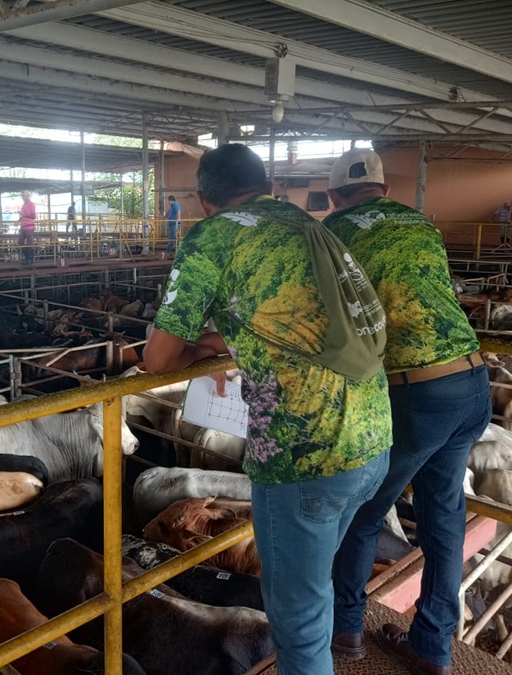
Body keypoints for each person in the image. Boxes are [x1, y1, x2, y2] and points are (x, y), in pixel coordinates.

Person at [143, 143, 392, 675]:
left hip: (304, 457)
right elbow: (293, 323)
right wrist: (221, 341)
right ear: (267, 184)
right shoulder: (306, 223)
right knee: (313, 586)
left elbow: (156, 358)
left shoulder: (213, 236)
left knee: (295, 621)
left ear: (203, 199)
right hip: (372, 441)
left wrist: (193, 349)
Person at [323, 149, 491, 675]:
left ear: (332, 196)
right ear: (385, 191)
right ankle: (433, 646)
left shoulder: (332, 231)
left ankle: (346, 628)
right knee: (444, 518)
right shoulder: (419, 222)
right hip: (473, 381)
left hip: (416, 394)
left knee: (364, 511)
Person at [17, 190, 37, 264]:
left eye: (25, 196)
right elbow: (23, 215)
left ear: (28, 196)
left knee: (29, 243)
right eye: (23, 196)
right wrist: (19, 220)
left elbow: (34, 216)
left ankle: (29, 259)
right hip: (23, 226)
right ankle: (27, 258)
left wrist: (24, 215)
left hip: (29, 227)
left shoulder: (31, 204)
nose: (23, 197)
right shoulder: (24, 204)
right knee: (20, 242)